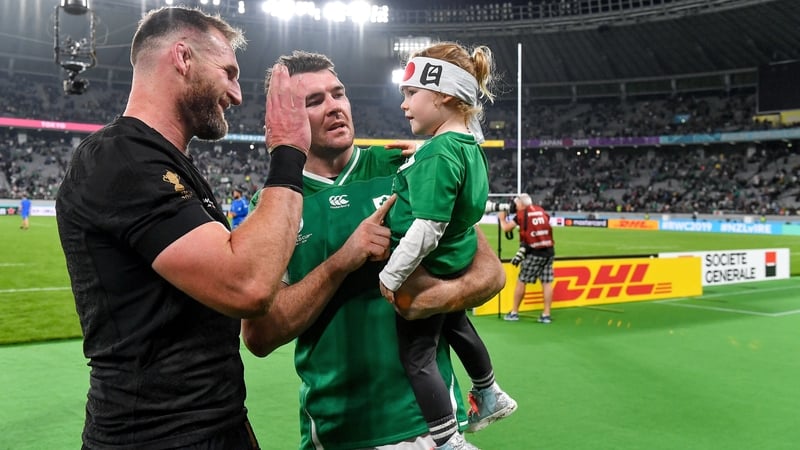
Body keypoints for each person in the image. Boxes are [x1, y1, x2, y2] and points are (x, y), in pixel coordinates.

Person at [55, 7, 311, 449]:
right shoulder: (121, 159)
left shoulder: (163, 161)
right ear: (182, 57)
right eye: (228, 72)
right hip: (157, 436)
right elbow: (247, 284)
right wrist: (288, 152)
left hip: (214, 424)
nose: (236, 94)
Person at [241, 51, 507, 450]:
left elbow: (490, 272)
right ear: (286, 121)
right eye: (314, 101)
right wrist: (340, 264)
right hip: (339, 434)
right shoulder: (275, 204)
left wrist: (437, 297)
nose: (333, 107)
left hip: (433, 431)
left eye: (338, 94)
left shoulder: (403, 166)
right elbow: (259, 337)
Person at [376, 42, 517, 450]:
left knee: (417, 357)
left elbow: (428, 226)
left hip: (430, 267)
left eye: (411, 93)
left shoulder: (440, 153)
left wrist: (392, 273)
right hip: (458, 260)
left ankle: (447, 439)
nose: (403, 105)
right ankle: (489, 392)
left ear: (443, 95)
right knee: (457, 324)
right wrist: (426, 151)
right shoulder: (469, 146)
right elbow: (457, 146)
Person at [499, 193, 556, 323]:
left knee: (521, 280)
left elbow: (506, 228)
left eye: (517, 204)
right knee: (546, 282)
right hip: (549, 251)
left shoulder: (522, 214)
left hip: (534, 252)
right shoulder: (541, 211)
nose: (515, 206)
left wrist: (502, 219)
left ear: (522, 204)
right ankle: (546, 314)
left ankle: (514, 312)